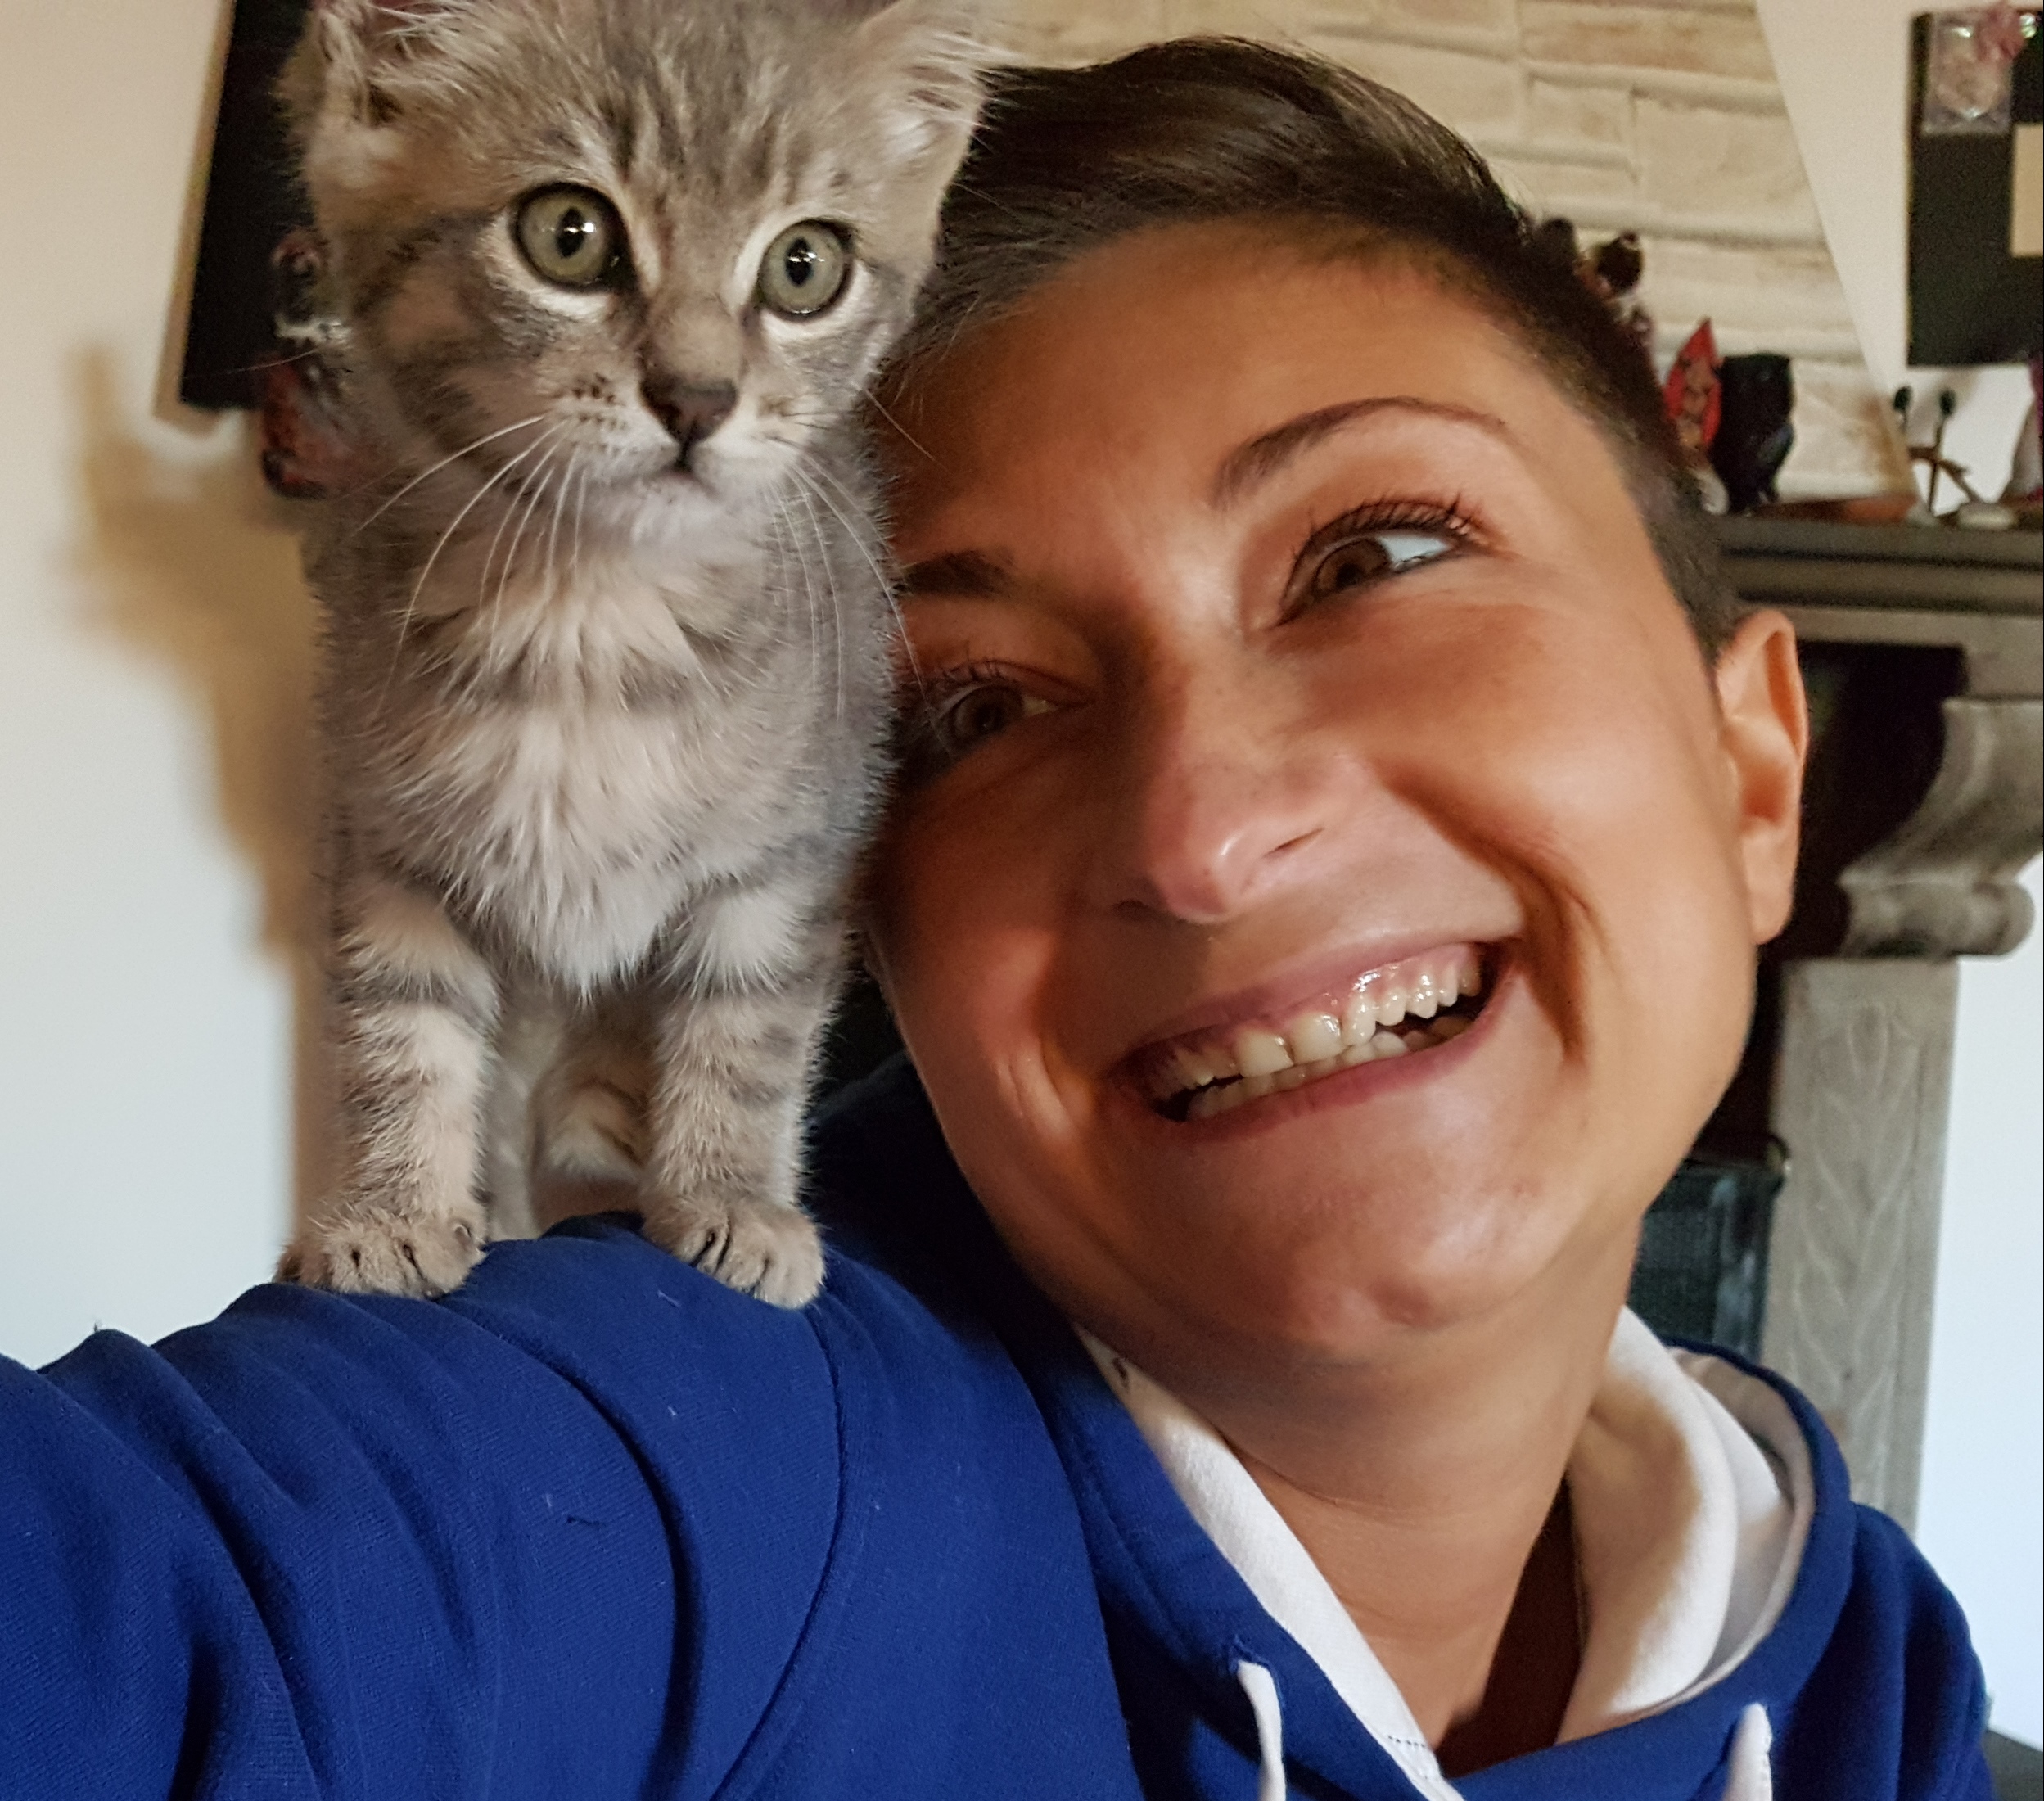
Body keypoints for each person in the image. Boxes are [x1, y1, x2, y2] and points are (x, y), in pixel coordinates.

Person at [0, 39, 1994, 1801]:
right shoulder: (706, 1464)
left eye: (1374, 555)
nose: (1200, 833)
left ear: (1757, 775)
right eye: (974, 709)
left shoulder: (1868, 1669)